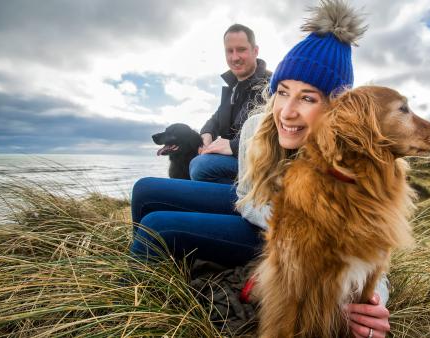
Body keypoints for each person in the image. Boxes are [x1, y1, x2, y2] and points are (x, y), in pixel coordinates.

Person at [130, 2, 391, 336]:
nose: (287, 112)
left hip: (286, 243)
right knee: (145, 190)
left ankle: (132, 316)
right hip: (256, 210)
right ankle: (159, 275)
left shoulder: (351, 156)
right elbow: (244, 196)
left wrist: (373, 304)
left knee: (158, 226)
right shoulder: (259, 127)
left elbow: (374, 248)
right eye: (283, 92)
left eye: (308, 98)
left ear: (335, 107)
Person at [190, 23, 271, 184]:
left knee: (201, 166)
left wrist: (233, 146)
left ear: (255, 51)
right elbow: (215, 118)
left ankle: (250, 202)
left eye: (241, 49)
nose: (235, 57)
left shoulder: (272, 85)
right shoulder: (233, 88)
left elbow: (272, 135)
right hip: (236, 160)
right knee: (191, 157)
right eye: (229, 51)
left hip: (259, 166)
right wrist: (207, 133)